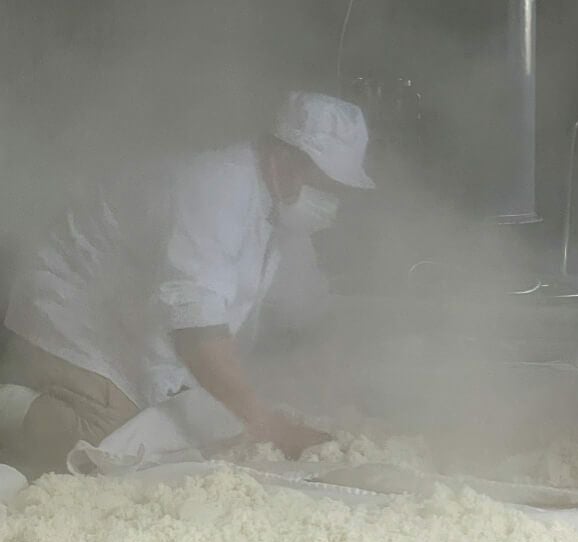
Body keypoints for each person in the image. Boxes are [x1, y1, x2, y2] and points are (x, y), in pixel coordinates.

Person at [0, 91, 374, 477]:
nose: (331, 200)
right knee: (105, 447)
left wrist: (335, 391)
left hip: (132, 325)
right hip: (73, 312)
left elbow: (312, 315)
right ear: (284, 159)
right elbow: (196, 331)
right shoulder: (217, 189)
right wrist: (267, 425)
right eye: (325, 183)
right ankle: (8, 403)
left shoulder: (284, 216)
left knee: (187, 425)